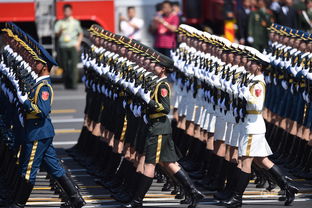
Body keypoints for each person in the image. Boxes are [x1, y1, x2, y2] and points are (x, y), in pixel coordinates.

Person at [2, 22, 86, 208]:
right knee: (54, 166)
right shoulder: (40, 83)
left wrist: (24, 101)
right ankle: (75, 198)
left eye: (36, 62)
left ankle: (18, 204)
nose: (33, 63)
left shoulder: (44, 86)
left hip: (38, 132)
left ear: (43, 66)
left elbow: (42, 110)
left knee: (28, 169)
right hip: (40, 132)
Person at [54, 4, 83, 89]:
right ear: (63, 12)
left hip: (72, 45)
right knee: (64, 65)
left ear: (71, 11)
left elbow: (80, 33)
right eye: (65, 11)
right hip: (63, 46)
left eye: (68, 10)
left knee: (73, 65)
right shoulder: (60, 22)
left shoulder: (75, 22)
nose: (67, 12)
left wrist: (78, 43)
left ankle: (74, 84)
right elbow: (56, 34)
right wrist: (60, 31)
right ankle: (67, 83)